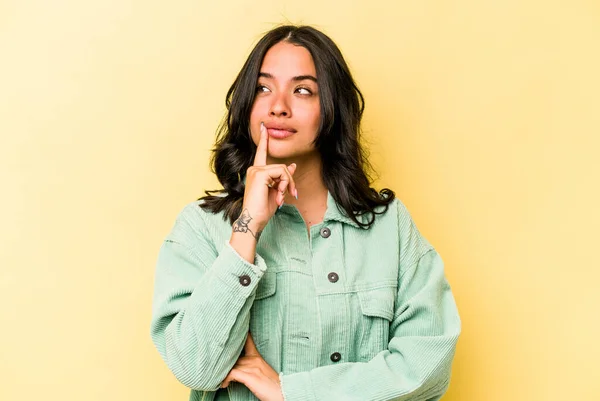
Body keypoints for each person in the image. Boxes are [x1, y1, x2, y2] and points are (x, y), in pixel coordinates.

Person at [150, 25, 461, 401]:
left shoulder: (389, 226)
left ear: (331, 108)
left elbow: (427, 368)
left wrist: (293, 392)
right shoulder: (200, 227)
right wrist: (247, 229)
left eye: (302, 90)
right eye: (264, 88)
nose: (278, 106)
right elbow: (196, 366)